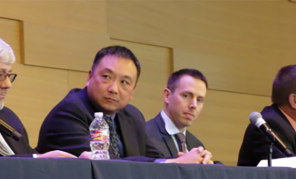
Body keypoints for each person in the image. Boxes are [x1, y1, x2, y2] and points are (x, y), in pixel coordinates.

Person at [36, 45, 211, 163]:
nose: (114, 89)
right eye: (106, 77)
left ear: (133, 91)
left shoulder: (132, 116)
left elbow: (153, 158)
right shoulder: (70, 112)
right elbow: (104, 164)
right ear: (89, 77)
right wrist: (172, 163)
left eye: (124, 82)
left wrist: (193, 159)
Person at [146, 69, 213, 162]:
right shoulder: (145, 135)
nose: (194, 105)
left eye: (199, 100)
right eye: (186, 96)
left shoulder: (197, 145)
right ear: (167, 96)